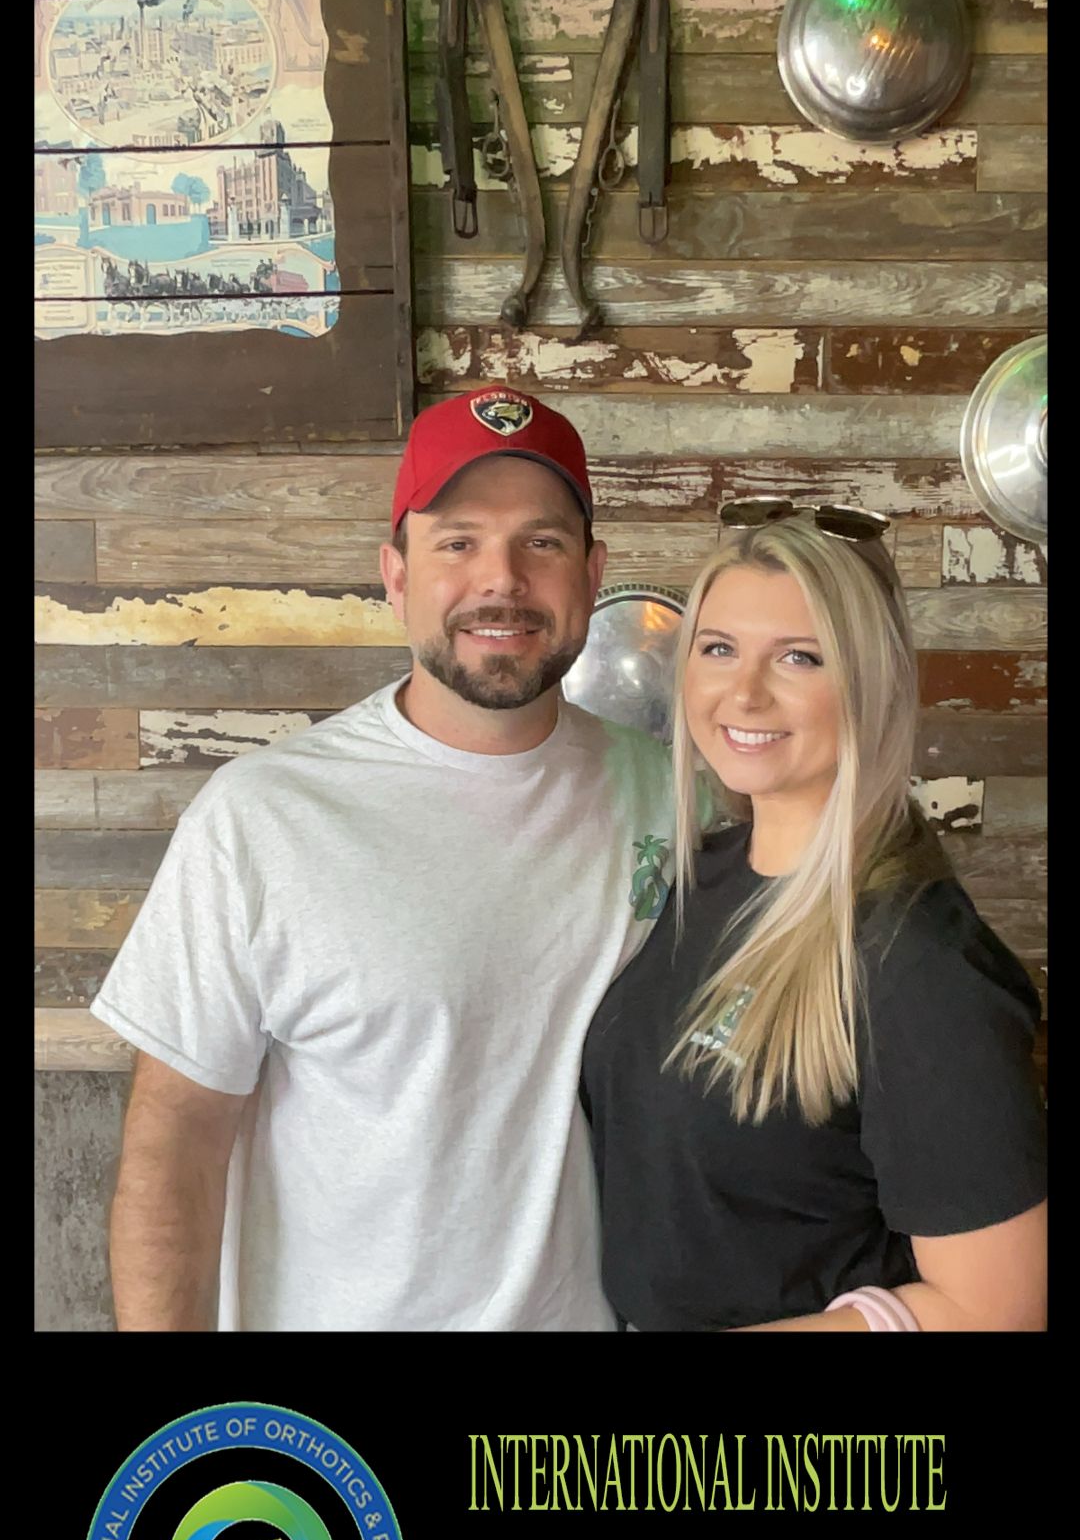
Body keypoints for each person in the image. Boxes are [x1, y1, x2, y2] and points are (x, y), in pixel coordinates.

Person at [91, 388, 676, 1331]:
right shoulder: (265, 817)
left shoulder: (675, 796)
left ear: (592, 573)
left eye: (543, 541)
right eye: (457, 542)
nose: (503, 580)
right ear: (395, 575)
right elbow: (176, 1148)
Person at [582, 499, 1047, 1333]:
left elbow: (995, 1308)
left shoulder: (918, 966)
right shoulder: (702, 877)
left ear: (874, 684)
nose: (744, 692)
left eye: (800, 657)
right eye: (718, 648)